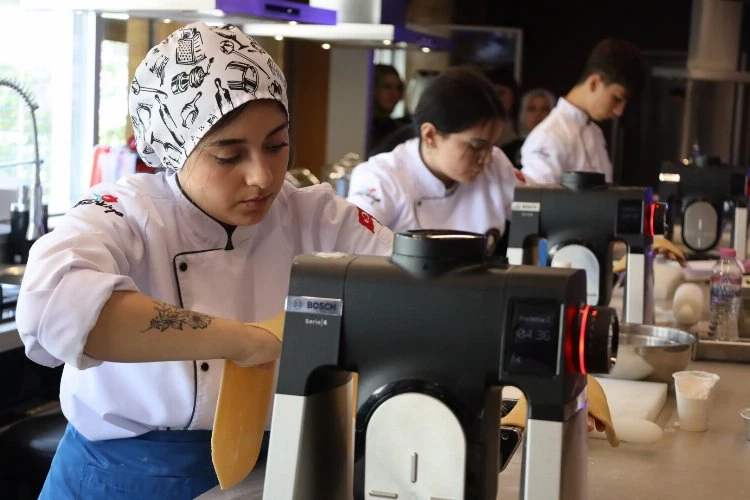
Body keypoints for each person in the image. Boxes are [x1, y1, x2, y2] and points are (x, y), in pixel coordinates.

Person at [16, 22, 393, 500]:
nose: (262, 177)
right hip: (119, 478)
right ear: (174, 150)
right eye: (229, 155)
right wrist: (247, 343)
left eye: (277, 145)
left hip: (269, 468)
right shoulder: (123, 212)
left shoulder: (314, 215)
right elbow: (51, 306)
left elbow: (413, 293)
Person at [348, 66, 518, 254]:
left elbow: (540, 210)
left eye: (492, 146)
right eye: (476, 146)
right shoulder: (382, 176)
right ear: (430, 135)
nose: (486, 160)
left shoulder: (497, 165)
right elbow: (353, 241)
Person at [520, 38, 645, 185]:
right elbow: (536, 203)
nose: (619, 112)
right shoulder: (549, 135)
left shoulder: (595, 132)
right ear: (594, 83)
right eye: (617, 98)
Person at [369, 64, 408, 154]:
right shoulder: (361, 126)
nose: (395, 94)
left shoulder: (397, 128)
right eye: (387, 87)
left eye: (398, 88)